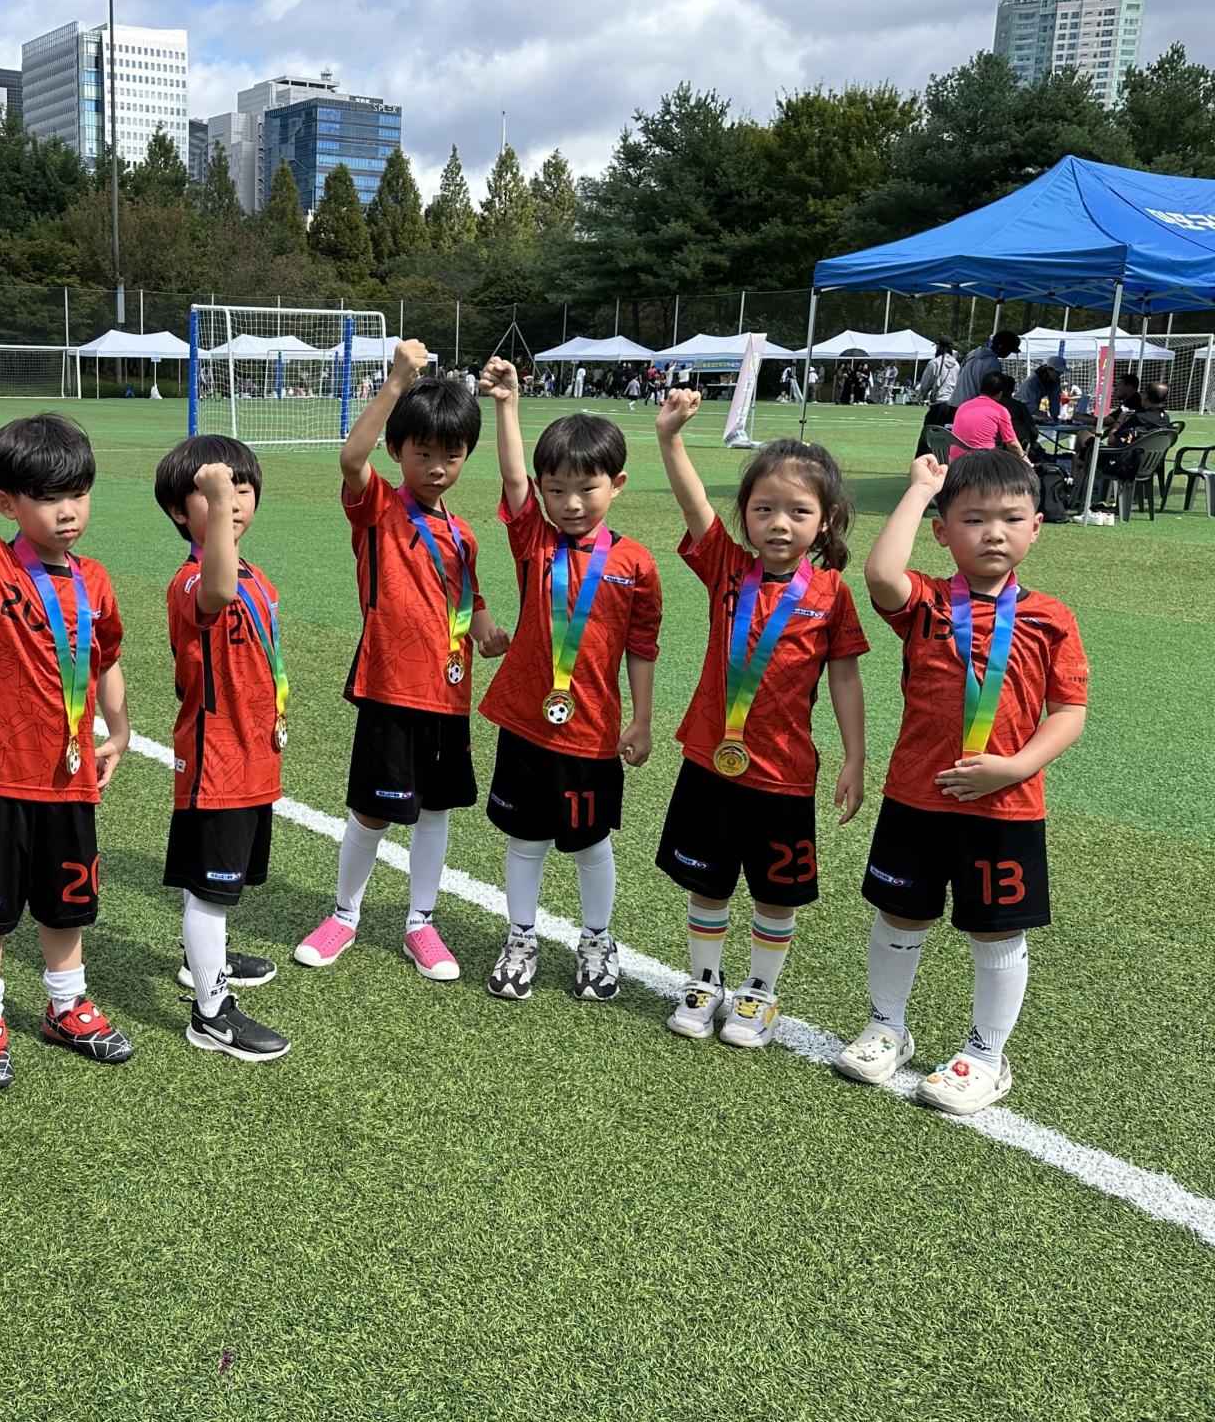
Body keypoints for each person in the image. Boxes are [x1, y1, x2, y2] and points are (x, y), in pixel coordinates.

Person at [834, 449, 1088, 1114]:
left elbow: (1069, 712)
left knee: (996, 931)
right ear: (943, 533)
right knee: (900, 912)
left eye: (1011, 518)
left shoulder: (1052, 618)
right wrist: (921, 490)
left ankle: (985, 1054)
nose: (993, 532)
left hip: (1005, 807)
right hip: (916, 797)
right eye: (973, 520)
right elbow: (880, 573)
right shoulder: (924, 602)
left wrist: (1016, 766)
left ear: (1037, 527)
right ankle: (887, 1026)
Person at [0, 382, 133, 1090]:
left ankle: (66, 1007)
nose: (68, 510)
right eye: (47, 498)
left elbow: (105, 658)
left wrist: (119, 728)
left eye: (78, 493)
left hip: (69, 775)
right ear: (7, 504)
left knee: (66, 899)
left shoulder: (97, 580)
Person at [653, 390, 868, 1045]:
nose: (779, 524)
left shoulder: (831, 595)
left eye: (799, 511)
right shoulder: (726, 567)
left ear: (826, 520)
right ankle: (705, 980)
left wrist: (856, 756)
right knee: (708, 881)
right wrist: (670, 438)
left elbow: (845, 677)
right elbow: (694, 502)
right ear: (744, 515)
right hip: (710, 762)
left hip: (784, 774)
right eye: (764, 509)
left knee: (777, 892)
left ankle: (759, 991)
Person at [294, 337, 507, 981]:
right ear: (398, 451)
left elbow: (466, 595)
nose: (437, 467)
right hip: (390, 686)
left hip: (449, 691)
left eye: (451, 455)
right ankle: (344, 914)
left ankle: (421, 923)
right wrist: (396, 381)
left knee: (435, 811)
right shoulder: (379, 509)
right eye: (423, 453)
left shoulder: (463, 533)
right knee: (373, 808)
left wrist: (484, 627)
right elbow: (350, 458)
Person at [476, 358, 660, 1003]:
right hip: (527, 721)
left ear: (617, 484)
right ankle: (520, 937)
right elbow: (511, 478)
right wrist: (506, 404)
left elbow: (642, 647)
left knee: (589, 843)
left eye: (587, 489)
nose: (571, 504)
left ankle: (596, 940)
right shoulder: (535, 539)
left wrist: (641, 718)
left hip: (592, 731)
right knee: (525, 839)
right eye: (556, 490)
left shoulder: (636, 563)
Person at [152, 438, 290, 1061]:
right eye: (210, 495)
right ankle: (209, 1013)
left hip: (253, 753)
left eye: (240, 490)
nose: (229, 502)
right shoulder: (194, 580)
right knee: (211, 888)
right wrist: (216, 515)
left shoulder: (255, 575)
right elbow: (219, 588)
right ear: (180, 513)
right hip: (217, 759)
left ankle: (201, 958)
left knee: (218, 880)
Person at [1086, 380, 1172, 509]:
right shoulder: (1165, 418)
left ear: (1147, 396)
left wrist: (1119, 421)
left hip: (1124, 465)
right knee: (1084, 453)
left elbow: (1111, 439)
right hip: (1149, 465)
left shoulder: (1139, 418)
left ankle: (1077, 496)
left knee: (1083, 444)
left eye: (1143, 393)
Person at [949, 371, 1028, 463]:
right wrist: (1024, 458)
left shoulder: (963, 407)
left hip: (956, 462)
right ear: (1000, 394)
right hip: (982, 462)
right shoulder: (1000, 410)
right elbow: (1012, 444)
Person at [950, 330, 1021, 407]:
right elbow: (991, 392)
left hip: (954, 402)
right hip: (971, 406)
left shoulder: (972, 354)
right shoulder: (993, 363)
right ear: (1001, 346)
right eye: (1009, 350)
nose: (1009, 354)